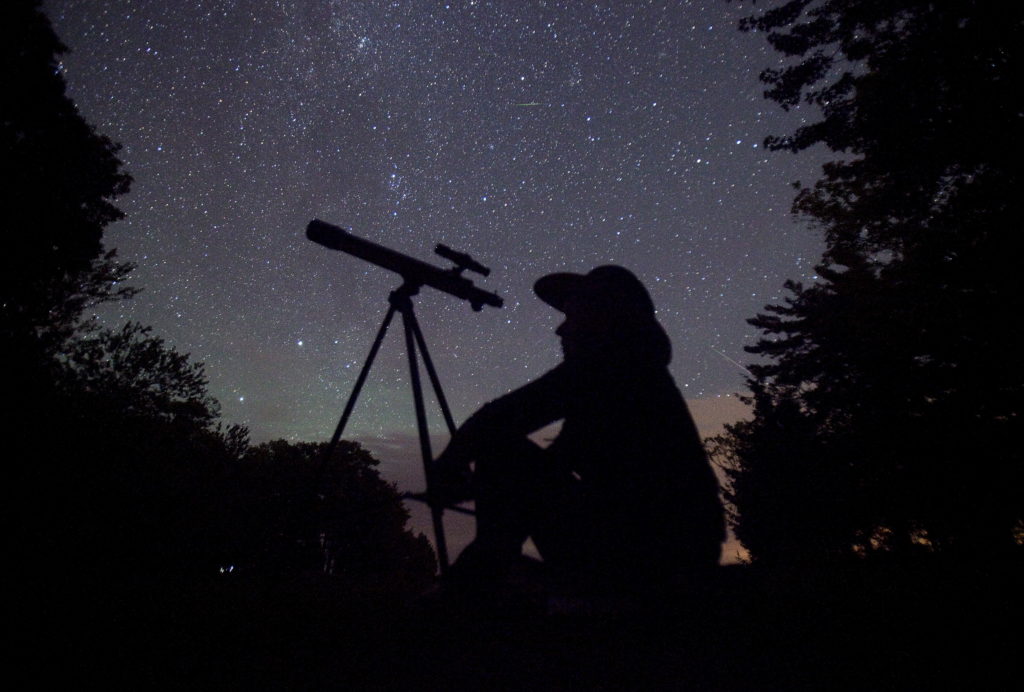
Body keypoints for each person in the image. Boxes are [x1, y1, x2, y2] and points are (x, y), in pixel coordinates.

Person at [433, 266, 724, 598]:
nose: (561, 330)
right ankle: (485, 576)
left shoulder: (608, 367)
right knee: (507, 461)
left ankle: (475, 584)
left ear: (601, 319)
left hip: (655, 555)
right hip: (670, 549)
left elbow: (502, 417)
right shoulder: (632, 374)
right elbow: (555, 464)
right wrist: (487, 487)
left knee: (502, 454)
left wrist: (449, 465)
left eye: (573, 317)